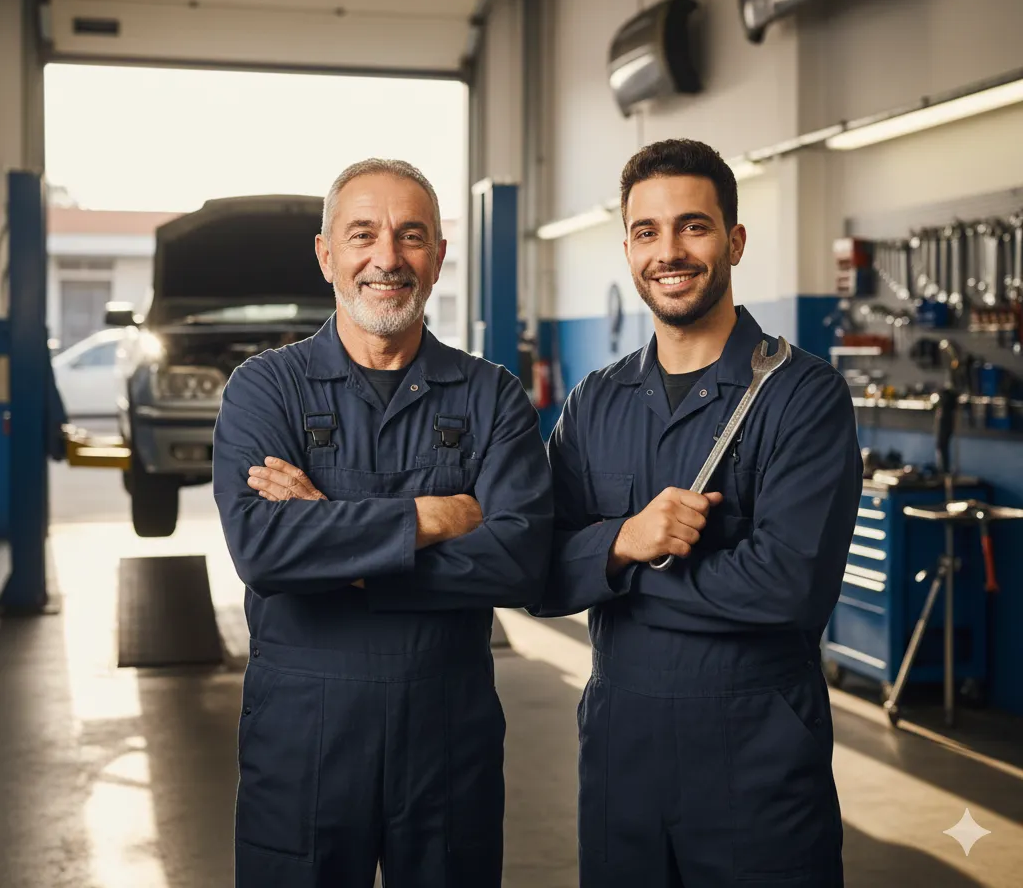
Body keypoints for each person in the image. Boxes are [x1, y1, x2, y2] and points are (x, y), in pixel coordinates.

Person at [213, 158, 552, 888]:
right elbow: (263, 549)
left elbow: (519, 560)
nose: (387, 258)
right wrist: (430, 517)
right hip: (301, 738)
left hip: (446, 739)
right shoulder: (264, 390)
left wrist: (335, 545)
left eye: (411, 236)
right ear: (326, 253)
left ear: (438, 257)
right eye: (363, 234)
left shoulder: (492, 398)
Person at [533, 139, 861, 888]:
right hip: (622, 768)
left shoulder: (801, 397)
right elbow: (538, 576)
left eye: (693, 226)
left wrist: (617, 567)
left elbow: (789, 586)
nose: (669, 251)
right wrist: (627, 538)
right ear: (627, 249)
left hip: (758, 766)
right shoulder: (595, 402)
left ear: (734, 240)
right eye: (647, 232)